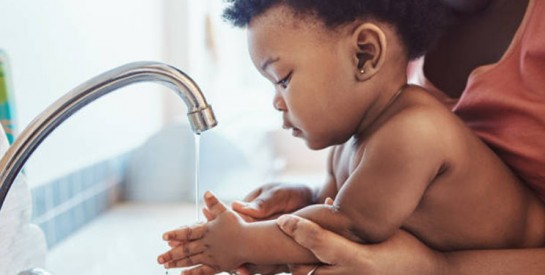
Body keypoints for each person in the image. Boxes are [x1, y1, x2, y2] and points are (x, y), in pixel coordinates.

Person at [156, 0, 545, 274]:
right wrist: (297, 201)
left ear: (364, 55)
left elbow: (348, 226)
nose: (276, 102)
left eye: (283, 79)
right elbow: (334, 205)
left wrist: (245, 242)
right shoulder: (352, 139)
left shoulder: (413, 132)